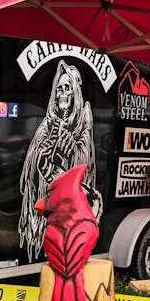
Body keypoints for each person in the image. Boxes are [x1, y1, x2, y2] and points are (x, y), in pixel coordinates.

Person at [19, 60, 101, 262]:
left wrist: (70, 149)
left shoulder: (83, 122)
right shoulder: (46, 124)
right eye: (59, 88)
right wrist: (43, 156)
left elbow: (85, 162)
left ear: (75, 93)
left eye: (67, 88)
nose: (62, 93)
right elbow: (30, 168)